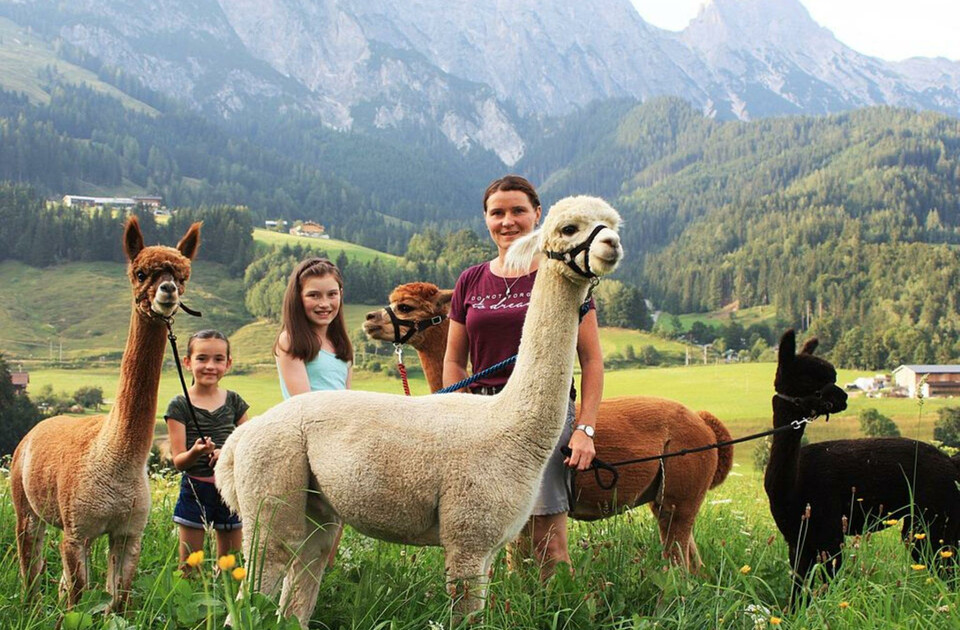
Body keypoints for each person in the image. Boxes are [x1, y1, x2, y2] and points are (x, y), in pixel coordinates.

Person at [442, 174, 604, 579]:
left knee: (547, 540)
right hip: (479, 416)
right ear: (486, 219)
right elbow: (454, 360)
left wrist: (585, 428)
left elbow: (593, 360)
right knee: (481, 536)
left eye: (518, 211)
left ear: (538, 215)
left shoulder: (565, 274)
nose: (508, 221)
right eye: (497, 213)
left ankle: (561, 617)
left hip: (541, 416)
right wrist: (448, 413)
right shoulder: (471, 280)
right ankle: (503, 614)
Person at [274, 257, 353, 565]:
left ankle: (326, 581)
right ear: (298, 298)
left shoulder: (340, 344)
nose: (325, 303)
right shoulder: (291, 340)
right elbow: (303, 402)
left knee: (334, 521)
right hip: (308, 439)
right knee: (307, 523)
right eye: (314, 295)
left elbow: (346, 396)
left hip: (340, 439)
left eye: (332, 294)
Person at [165, 329, 249, 569]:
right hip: (195, 489)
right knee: (190, 564)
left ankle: (228, 603)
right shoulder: (179, 405)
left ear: (228, 363)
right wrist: (196, 452)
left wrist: (226, 452)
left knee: (230, 564)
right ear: (187, 363)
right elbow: (179, 461)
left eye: (218, 359)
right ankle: (190, 603)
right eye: (202, 358)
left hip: (230, 489)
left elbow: (248, 440)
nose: (210, 366)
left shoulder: (234, 401)